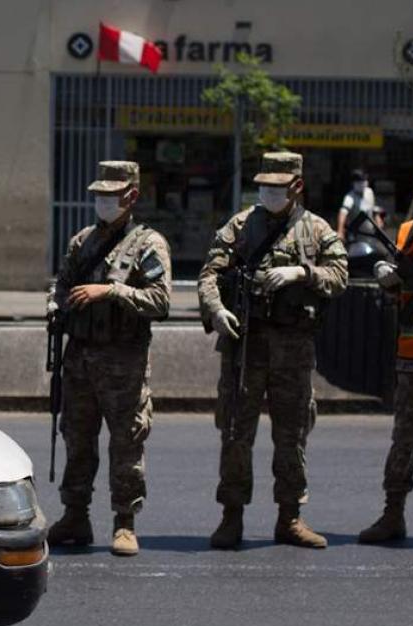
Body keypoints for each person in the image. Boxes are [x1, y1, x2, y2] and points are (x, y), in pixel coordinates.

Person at [198, 151, 348, 550]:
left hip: (293, 350)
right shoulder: (241, 225)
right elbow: (210, 273)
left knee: (292, 435)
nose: (268, 192)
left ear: (296, 187)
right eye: (263, 186)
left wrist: (303, 272)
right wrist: (216, 311)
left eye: (276, 187)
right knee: (234, 434)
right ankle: (231, 516)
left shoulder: (316, 230)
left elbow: (340, 275)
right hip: (244, 347)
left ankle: (290, 517)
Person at [44, 161, 172, 557]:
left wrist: (112, 292)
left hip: (123, 361)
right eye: (98, 195)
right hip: (80, 358)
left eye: (109, 196)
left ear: (130, 196)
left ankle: (124, 522)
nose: (102, 202)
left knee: (126, 442)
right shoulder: (82, 241)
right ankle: (75, 516)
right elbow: (63, 286)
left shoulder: (149, 244)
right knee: (77, 439)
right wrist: (54, 304)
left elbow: (161, 301)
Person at [358, 154, 413, 544]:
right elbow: (398, 289)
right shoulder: (408, 232)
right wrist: (386, 276)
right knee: (404, 439)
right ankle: (393, 514)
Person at [336, 168, 376, 241]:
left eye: (364, 180)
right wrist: (340, 231)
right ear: (354, 183)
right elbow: (343, 213)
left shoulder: (369, 192)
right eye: (360, 181)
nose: (363, 183)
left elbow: (372, 210)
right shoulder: (349, 197)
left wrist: (378, 220)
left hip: (370, 234)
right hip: (356, 235)